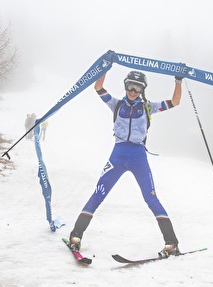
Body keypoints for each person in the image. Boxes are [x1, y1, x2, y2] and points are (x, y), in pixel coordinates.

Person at [68, 69, 183, 258]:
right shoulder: (117, 104)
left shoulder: (148, 107)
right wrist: (106, 66)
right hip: (118, 155)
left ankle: (172, 243)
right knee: (98, 194)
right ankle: (76, 236)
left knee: (151, 198)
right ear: (125, 85)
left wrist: (178, 81)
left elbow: (175, 102)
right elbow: (98, 87)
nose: (133, 90)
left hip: (138, 156)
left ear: (143, 90)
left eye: (137, 87)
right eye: (130, 85)